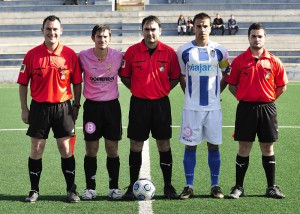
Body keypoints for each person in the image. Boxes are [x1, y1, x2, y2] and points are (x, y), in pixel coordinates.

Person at [17, 15, 82, 203]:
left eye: (55, 29)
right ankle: (34, 190)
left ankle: (71, 190)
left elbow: (77, 82)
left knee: (66, 148)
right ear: (42, 31)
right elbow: (23, 84)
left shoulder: (69, 55)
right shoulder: (31, 55)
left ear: (61, 31)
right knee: (37, 148)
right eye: (48, 29)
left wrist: (76, 105)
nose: (51, 32)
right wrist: (24, 108)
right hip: (39, 108)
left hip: (63, 107)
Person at [120, 15, 181, 200]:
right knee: (136, 144)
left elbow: (175, 77)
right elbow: (124, 75)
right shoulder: (131, 52)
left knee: (163, 144)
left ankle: (168, 186)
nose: (150, 32)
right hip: (139, 104)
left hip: (161, 104)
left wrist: (161, 90)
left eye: (153, 29)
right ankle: (131, 186)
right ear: (142, 31)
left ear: (160, 31)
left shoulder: (169, 53)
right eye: (147, 29)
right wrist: (138, 89)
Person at [226, 23, 288, 199]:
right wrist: (242, 97)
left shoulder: (274, 60)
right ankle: (238, 187)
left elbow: (282, 86)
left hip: (267, 108)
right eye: (253, 36)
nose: (256, 39)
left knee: (267, 147)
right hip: (246, 108)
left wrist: (269, 99)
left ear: (264, 38)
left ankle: (271, 187)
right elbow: (231, 84)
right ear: (248, 37)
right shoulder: (239, 60)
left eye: (260, 36)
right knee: (244, 147)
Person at [176, 12, 230, 199]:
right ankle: (188, 185)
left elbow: (226, 73)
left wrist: (216, 94)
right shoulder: (183, 51)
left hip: (213, 109)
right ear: (193, 27)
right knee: (190, 146)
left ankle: (215, 185)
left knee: (214, 146)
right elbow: (182, 76)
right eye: (198, 26)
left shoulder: (221, 50)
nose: (202, 29)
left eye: (205, 26)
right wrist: (189, 95)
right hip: (192, 109)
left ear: (211, 27)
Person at [78, 24, 123, 200]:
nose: (102, 40)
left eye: (105, 36)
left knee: (112, 149)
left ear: (110, 38)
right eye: (98, 36)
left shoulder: (118, 56)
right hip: (92, 108)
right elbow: (74, 78)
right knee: (91, 149)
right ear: (93, 38)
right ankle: (90, 188)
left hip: (112, 107)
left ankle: (114, 187)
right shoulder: (83, 56)